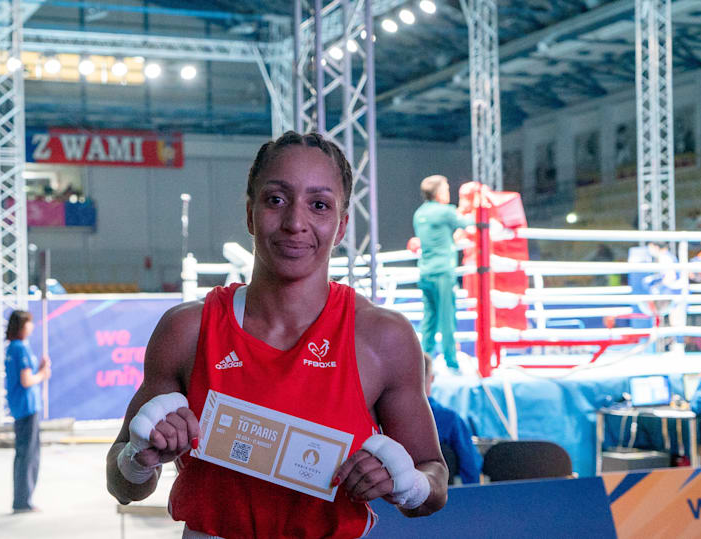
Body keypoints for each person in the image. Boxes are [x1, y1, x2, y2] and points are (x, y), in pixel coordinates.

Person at [106, 131, 448, 538]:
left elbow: (434, 482)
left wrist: (405, 482)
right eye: (276, 200)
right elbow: (121, 484)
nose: (295, 223)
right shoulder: (188, 330)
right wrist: (138, 458)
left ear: (340, 227)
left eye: (318, 205)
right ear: (250, 213)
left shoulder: (381, 337)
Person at [413, 175, 469, 371]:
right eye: (446, 188)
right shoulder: (445, 212)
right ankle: (451, 361)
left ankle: (423, 363)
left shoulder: (419, 213)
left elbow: (439, 236)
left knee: (429, 319)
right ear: (438, 192)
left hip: (425, 272)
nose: (448, 192)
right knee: (447, 317)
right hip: (442, 272)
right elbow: (471, 222)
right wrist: (478, 205)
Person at [4, 310, 52, 514]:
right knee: (28, 455)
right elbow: (26, 380)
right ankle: (23, 499)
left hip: (20, 406)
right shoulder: (20, 349)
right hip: (26, 406)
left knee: (23, 453)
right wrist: (42, 374)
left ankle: (22, 497)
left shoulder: (12, 348)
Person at [423, 354, 482, 484]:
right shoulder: (450, 420)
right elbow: (470, 466)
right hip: (441, 498)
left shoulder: (384, 418)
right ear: (431, 378)